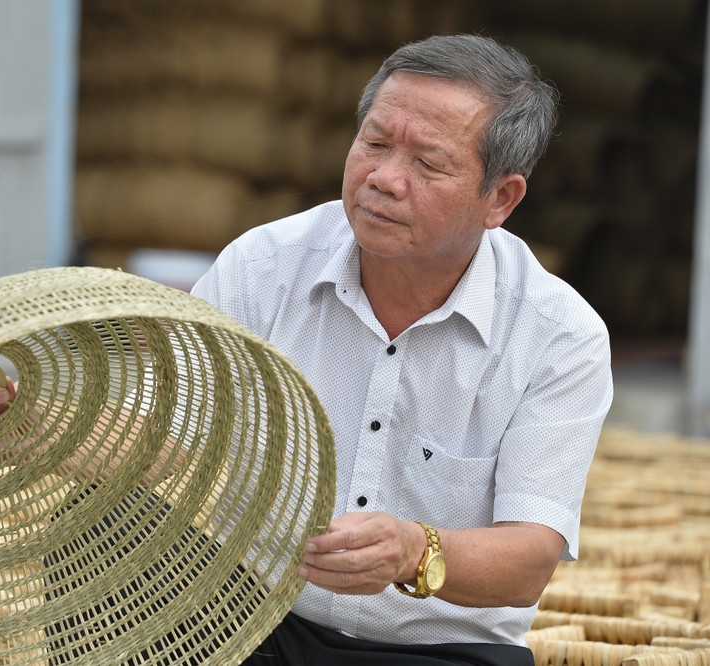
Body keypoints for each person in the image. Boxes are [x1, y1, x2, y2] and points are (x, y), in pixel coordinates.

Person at [188, 33, 613, 665]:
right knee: (103, 526)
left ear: (500, 198)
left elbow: (529, 558)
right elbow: (168, 424)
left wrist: (414, 551)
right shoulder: (265, 265)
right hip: (254, 619)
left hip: (434, 650)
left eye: (428, 164)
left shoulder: (559, 335)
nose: (384, 179)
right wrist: (41, 419)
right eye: (375, 144)